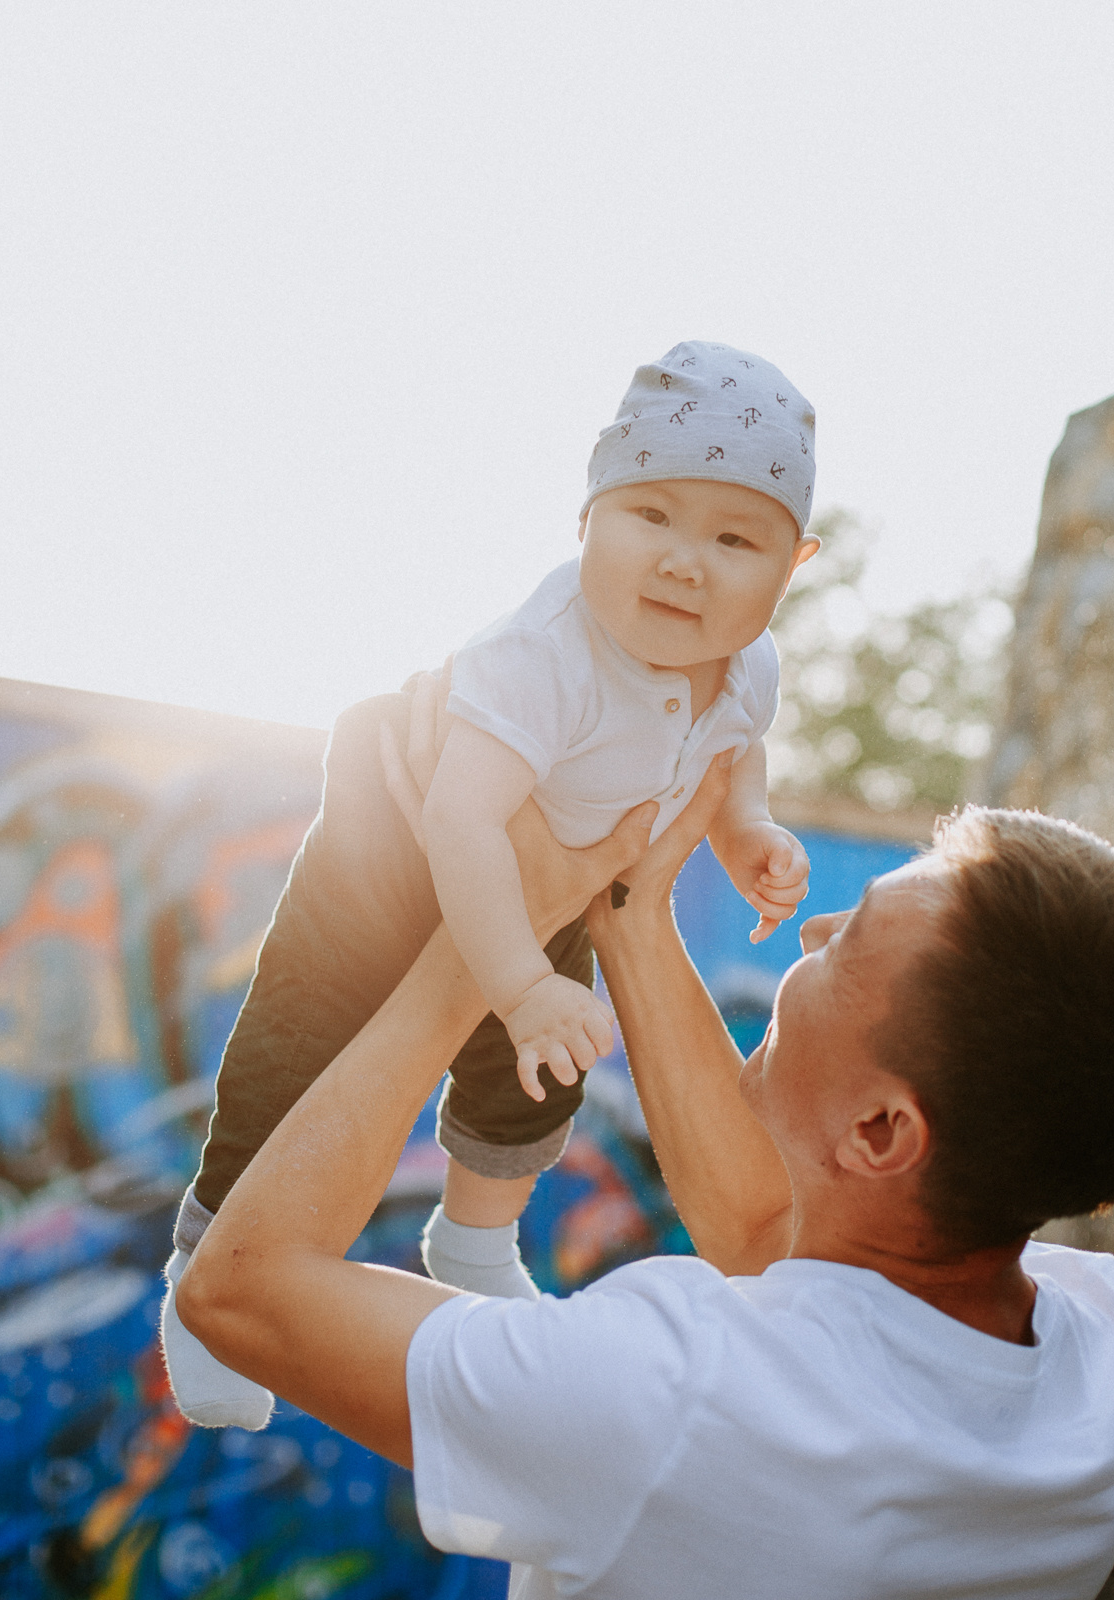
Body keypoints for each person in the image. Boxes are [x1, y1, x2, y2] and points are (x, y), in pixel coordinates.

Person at [177, 680, 1114, 1600]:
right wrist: (624, 909)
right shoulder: (1101, 1351)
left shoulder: (671, 1393)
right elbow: (776, 1234)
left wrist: (484, 944)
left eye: (850, 940)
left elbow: (238, 1288)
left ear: (880, 1128)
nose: (815, 930)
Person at [161, 340, 822, 1429]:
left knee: (544, 1063)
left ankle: (471, 1239)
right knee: (306, 1043)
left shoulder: (747, 665)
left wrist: (746, 832)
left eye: (733, 537)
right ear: (585, 519)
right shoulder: (542, 654)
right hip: (401, 840)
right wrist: (516, 980)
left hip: (543, 867)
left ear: (792, 566)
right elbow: (461, 822)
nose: (683, 562)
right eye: (649, 515)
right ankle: (204, 1270)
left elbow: (733, 748)